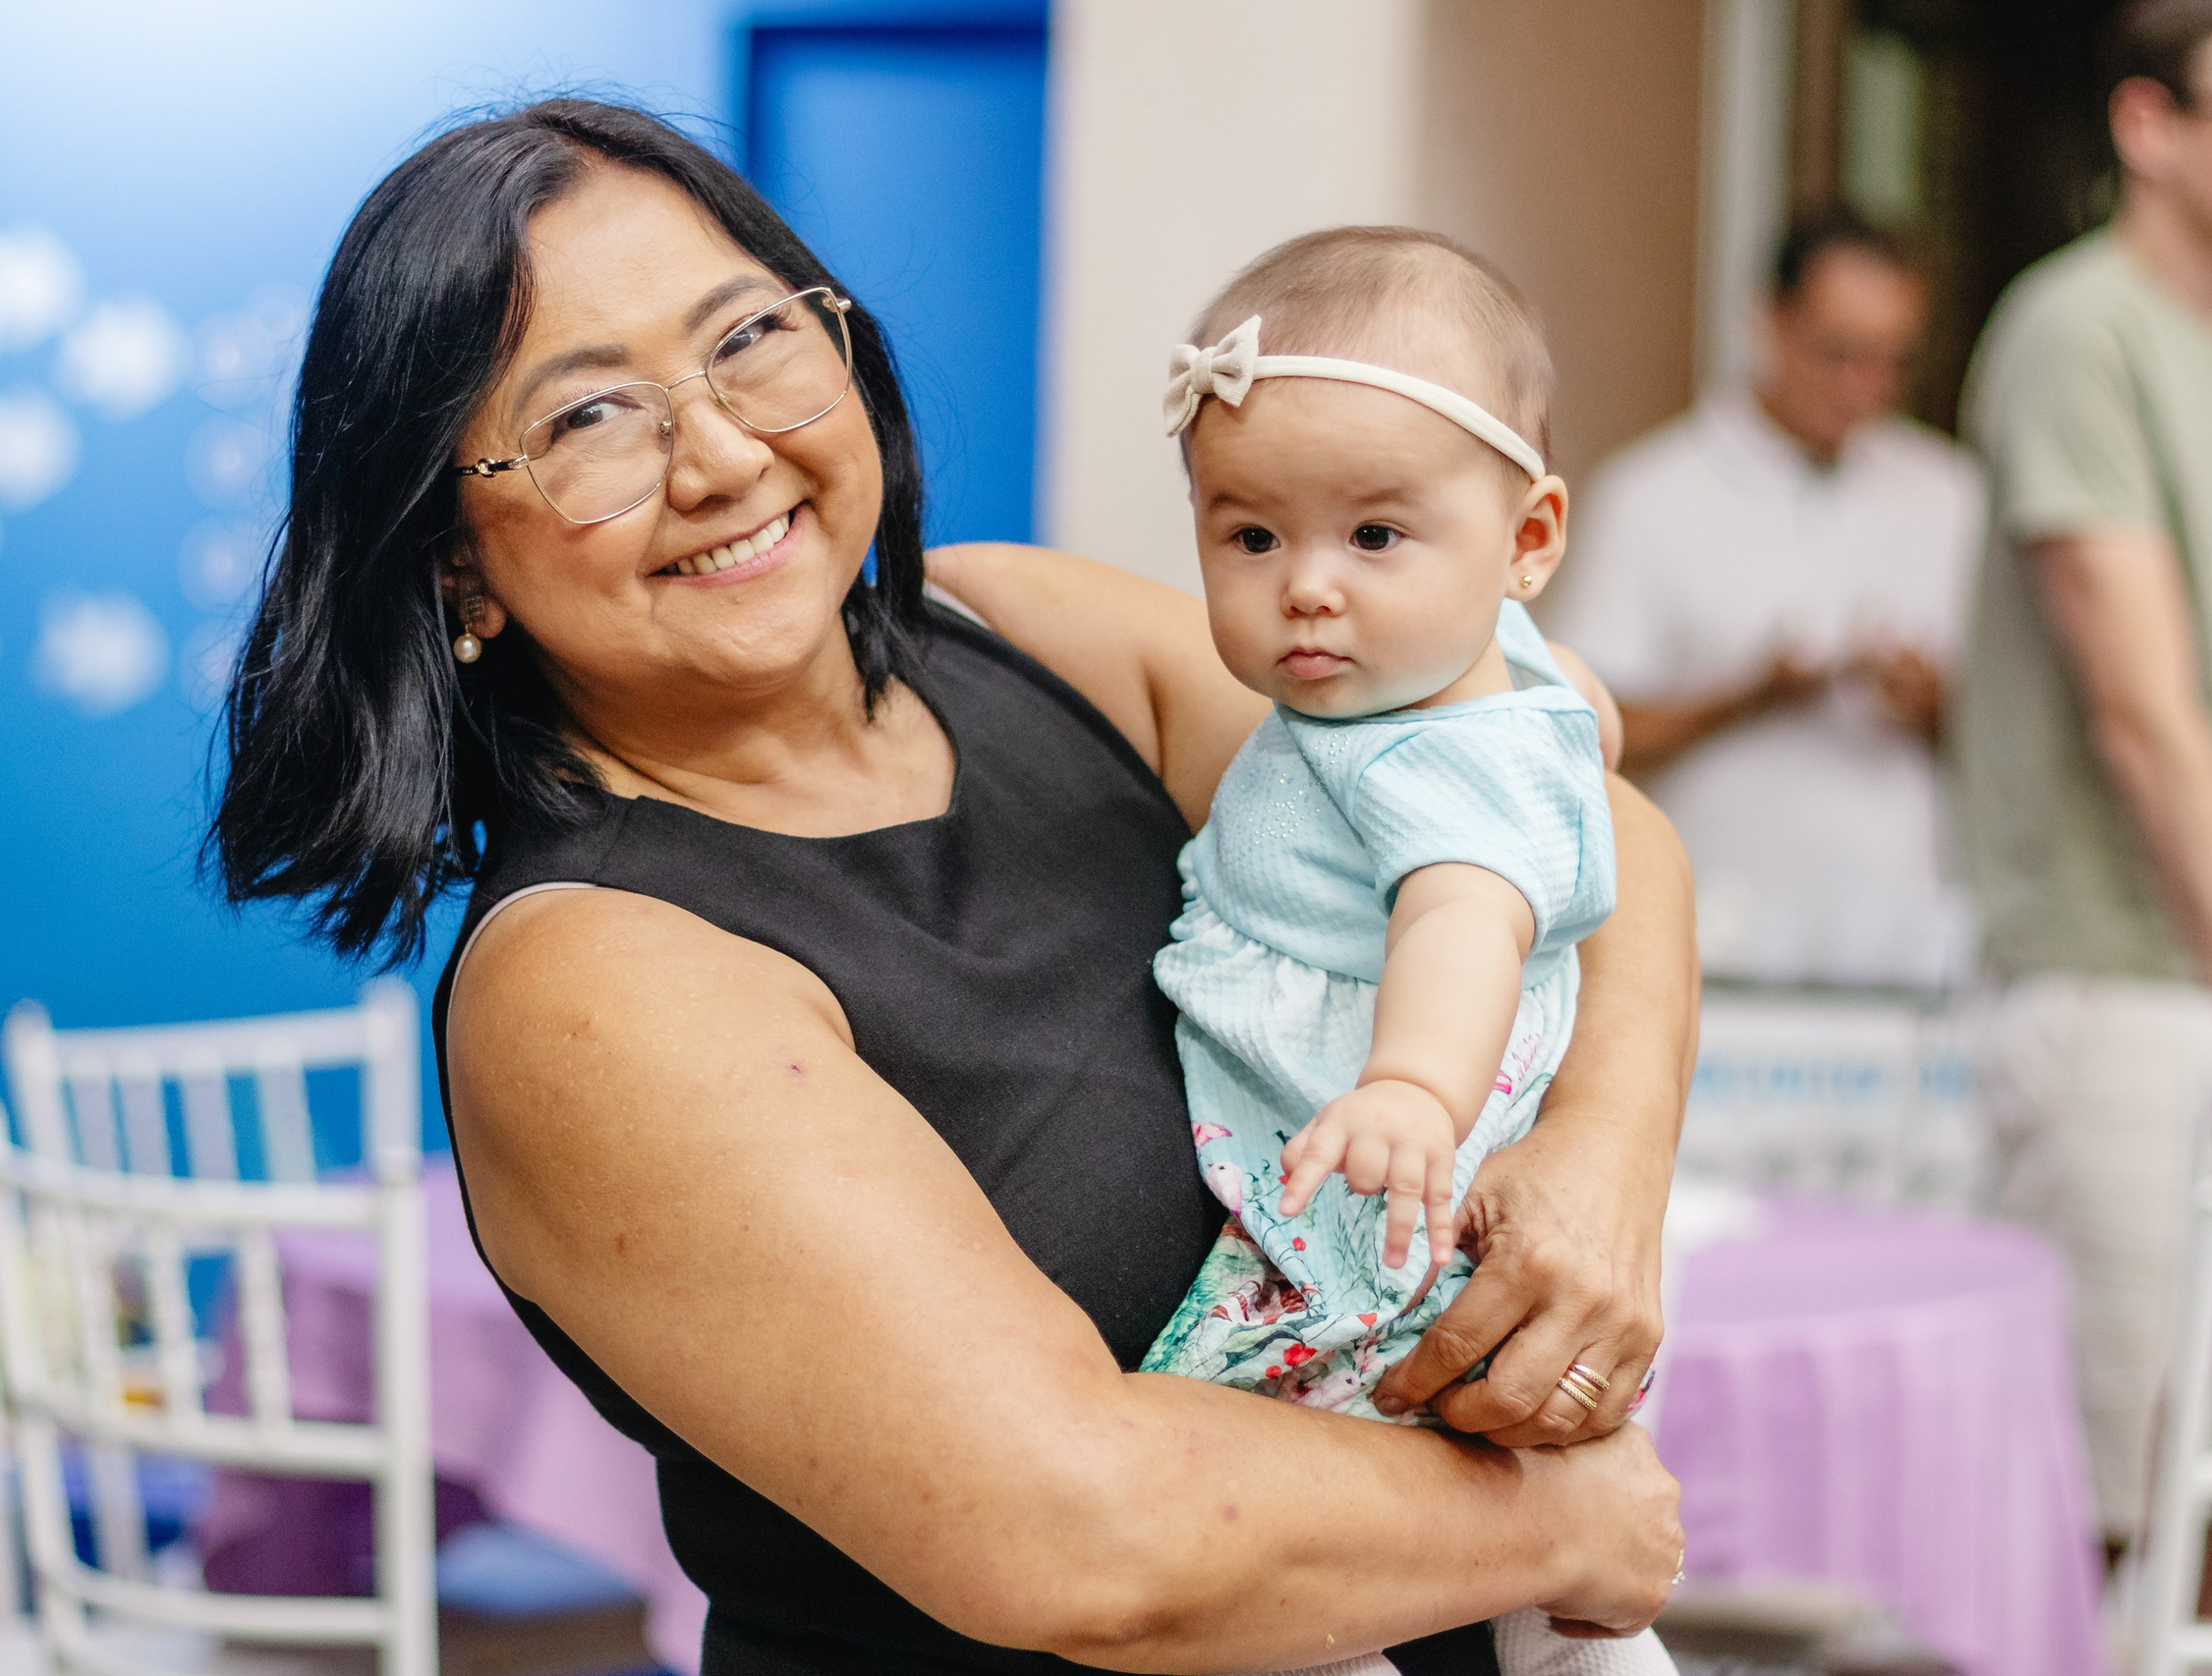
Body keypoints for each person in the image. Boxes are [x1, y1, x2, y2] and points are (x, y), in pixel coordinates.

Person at [208, 99, 1692, 1673]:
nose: (718, 454)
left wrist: (1598, 1161)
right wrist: (1562, 1530)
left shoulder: (1029, 632)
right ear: (452, 558)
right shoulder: (590, 979)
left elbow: (1571, 814)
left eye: (749, 342)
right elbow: (1082, 1530)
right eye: (588, 423)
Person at [937, 230, 1673, 1676]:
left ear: (1529, 539)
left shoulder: (1438, 762)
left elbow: (1466, 911)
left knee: (1294, 1507)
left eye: (1375, 536)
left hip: (1376, 1185)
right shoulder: (1473, 674)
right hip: (1389, 1152)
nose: (1308, 588)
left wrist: (1409, 1083)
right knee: (1509, 1563)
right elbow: (1580, 721)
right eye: (1251, 535)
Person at [1955, 0, 2212, 1556]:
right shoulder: (2077, 325)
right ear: (2147, 127)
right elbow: (2141, 711)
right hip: (2121, 993)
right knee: (2119, 1513)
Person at [1544, 208, 1982, 990]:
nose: (1863, 388)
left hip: (1910, 951)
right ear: (1770, 323)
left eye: (1890, 362)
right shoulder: (1653, 493)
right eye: (1838, 354)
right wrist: (1747, 697)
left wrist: (1933, 702)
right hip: (1712, 944)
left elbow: (2023, 741)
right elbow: (1581, 732)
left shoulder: (1951, 495)